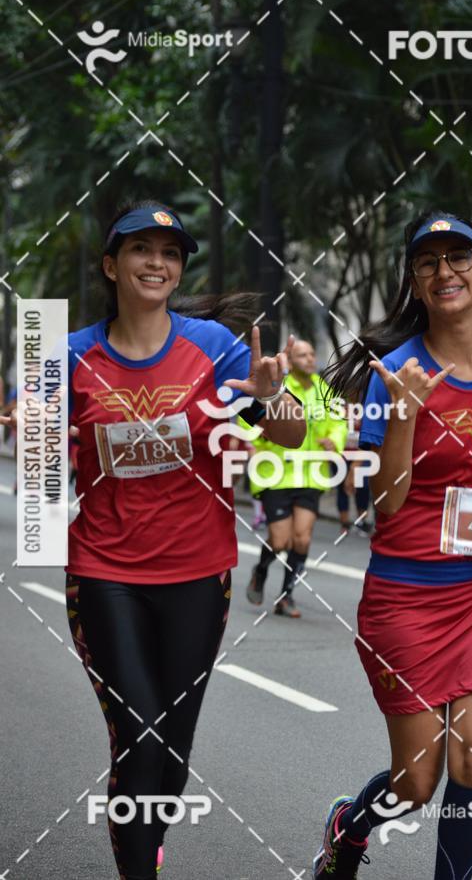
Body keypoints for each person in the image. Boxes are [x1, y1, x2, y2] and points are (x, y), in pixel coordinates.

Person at [4, 199, 305, 880]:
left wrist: (263, 398)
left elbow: (291, 433)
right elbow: (37, 456)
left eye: (170, 254)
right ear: (112, 265)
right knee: (139, 737)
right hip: (104, 571)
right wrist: (36, 427)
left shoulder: (217, 348)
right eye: (142, 250)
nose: (157, 263)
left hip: (199, 575)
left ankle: (148, 844)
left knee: (170, 753)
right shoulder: (71, 354)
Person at [313, 211, 472, 879]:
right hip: (405, 598)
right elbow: (387, 503)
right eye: (429, 262)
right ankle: (350, 826)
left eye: (460, 258)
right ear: (415, 281)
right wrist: (406, 417)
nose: (446, 272)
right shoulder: (394, 374)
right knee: (416, 784)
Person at [244, 339, 347, 617]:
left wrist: (334, 441)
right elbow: (247, 420)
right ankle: (261, 569)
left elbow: (339, 421)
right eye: (303, 354)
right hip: (276, 475)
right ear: (289, 358)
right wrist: (259, 436)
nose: (310, 358)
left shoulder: (325, 390)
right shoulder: (275, 387)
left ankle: (286, 596)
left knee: (301, 539)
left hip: (311, 474)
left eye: (312, 353)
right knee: (280, 541)